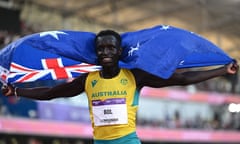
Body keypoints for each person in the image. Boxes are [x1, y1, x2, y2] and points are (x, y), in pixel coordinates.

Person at [1, 30, 239, 144]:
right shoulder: (89, 80)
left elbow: (181, 79)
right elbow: (52, 93)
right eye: (101, 49)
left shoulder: (135, 76)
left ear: (119, 51)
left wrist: (221, 70)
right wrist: (18, 91)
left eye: (110, 48)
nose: (105, 52)